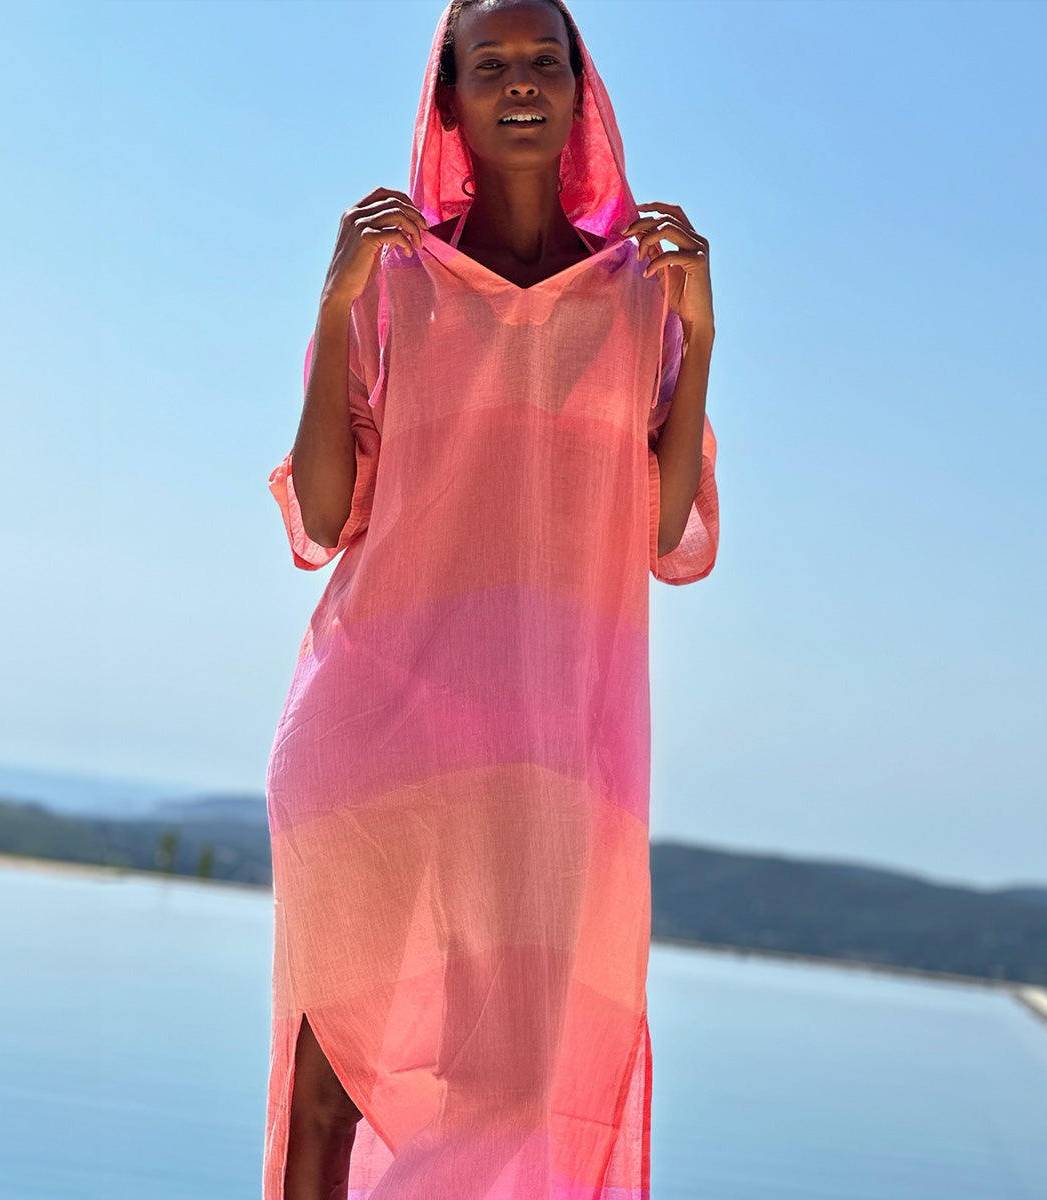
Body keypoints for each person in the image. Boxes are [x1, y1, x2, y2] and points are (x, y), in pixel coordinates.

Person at [261, 1, 719, 1196]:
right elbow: (320, 514)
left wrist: (701, 339)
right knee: (329, 1090)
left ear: (581, 92)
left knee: (517, 1089)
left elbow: (661, 533)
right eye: (491, 64)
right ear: (449, 98)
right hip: (377, 735)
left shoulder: (637, 300)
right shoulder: (398, 281)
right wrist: (330, 302)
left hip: (546, 756)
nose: (522, 83)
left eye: (546, 61)